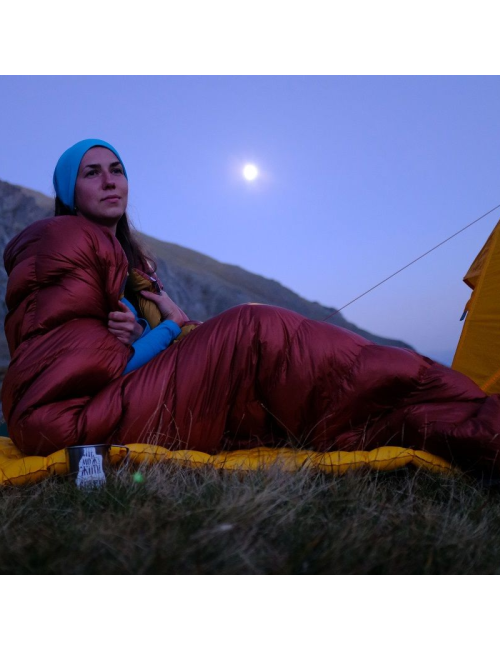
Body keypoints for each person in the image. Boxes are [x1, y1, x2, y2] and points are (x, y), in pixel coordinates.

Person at [3, 139, 500, 475]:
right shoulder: (65, 245)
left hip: (133, 396)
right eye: (92, 173)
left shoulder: (131, 266)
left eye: (117, 170)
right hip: (89, 421)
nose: (110, 181)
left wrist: (159, 332)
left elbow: (137, 352)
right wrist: (164, 331)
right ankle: (468, 421)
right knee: (255, 327)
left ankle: (459, 417)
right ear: (71, 189)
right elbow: (75, 383)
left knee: (291, 355)